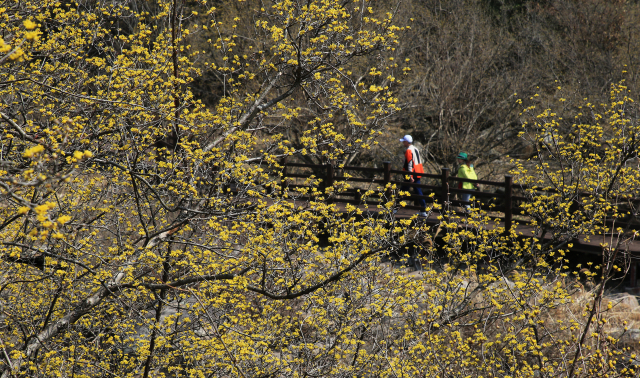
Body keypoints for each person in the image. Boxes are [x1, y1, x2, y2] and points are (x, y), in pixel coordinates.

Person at [399, 135, 428, 217]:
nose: (403, 143)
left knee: (404, 190)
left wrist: (410, 176)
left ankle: (395, 207)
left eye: (403, 141)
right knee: (417, 191)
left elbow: (410, 164)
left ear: (406, 142)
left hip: (412, 173)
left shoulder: (408, 150)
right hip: (418, 172)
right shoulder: (415, 148)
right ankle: (423, 209)